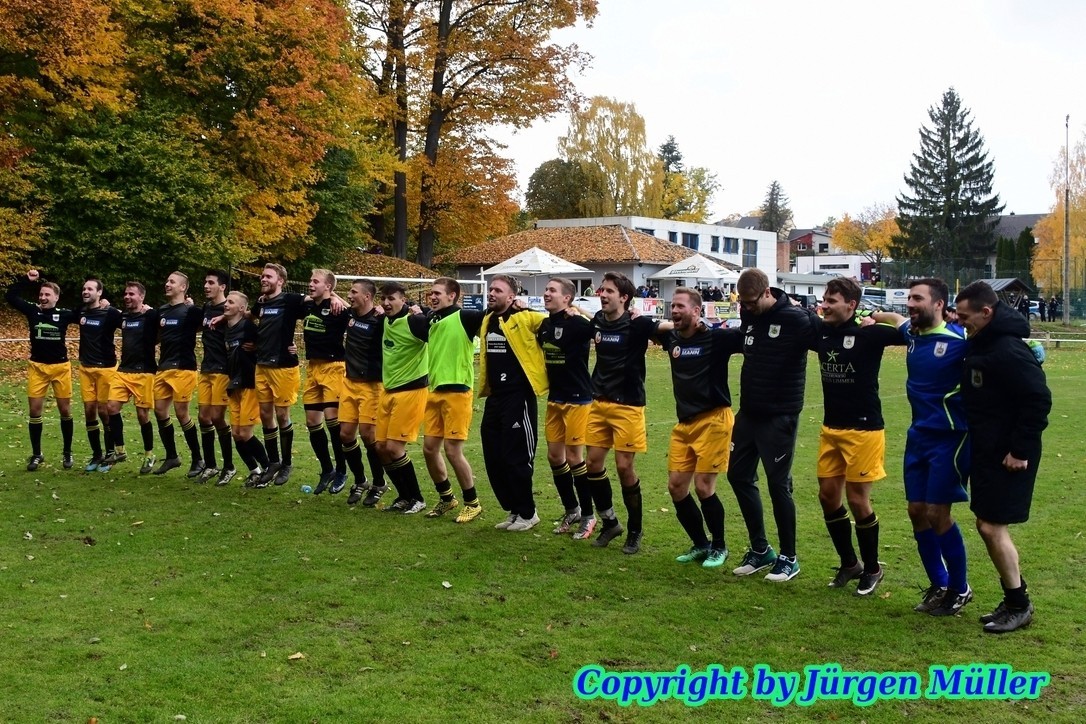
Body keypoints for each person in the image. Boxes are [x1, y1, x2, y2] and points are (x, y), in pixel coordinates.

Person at [955, 281, 1051, 632]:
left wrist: (1019, 450)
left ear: (987, 312)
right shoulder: (983, 342)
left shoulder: (1007, 349)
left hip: (1010, 453)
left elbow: (1038, 399)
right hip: (988, 447)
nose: (962, 322)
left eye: (966, 317)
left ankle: (1019, 604)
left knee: (991, 526)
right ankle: (1013, 600)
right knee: (986, 524)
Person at [873, 278, 973, 616]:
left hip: (950, 437)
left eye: (918, 298)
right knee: (916, 510)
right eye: (909, 298)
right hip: (919, 436)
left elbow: (1002, 352)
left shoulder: (960, 341)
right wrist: (879, 315)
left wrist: (1031, 350)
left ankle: (960, 589)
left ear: (939, 305)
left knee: (937, 513)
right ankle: (940, 583)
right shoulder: (913, 335)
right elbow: (898, 321)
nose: (911, 304)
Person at [726, 269, 817, 582]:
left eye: (752, 302)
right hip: (749, 412)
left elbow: (827, 338)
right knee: (737, 475)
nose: (747, 308)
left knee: (778, 485)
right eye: (744, 304)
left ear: (766, 293)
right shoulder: (749, 315)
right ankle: (760, 550)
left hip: (780, 415)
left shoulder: (796, 319)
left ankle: (789, 558)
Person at [813, 277, 902, 595]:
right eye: (824, 299)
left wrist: (880, 317)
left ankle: (873, 568)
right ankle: (850, 564)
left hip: (864, 429)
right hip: (831, 428)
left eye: (832, 300)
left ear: (851, 305)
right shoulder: (820, 331)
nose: (824, 304)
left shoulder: (869, 334)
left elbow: (907, 331)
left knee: (857, 500)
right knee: (827, 497)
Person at [658, 288, 742, 568]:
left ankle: (720, 547)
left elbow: (753, 339)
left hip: (714, 420)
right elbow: (641, 325)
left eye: (681, 306)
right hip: (684, 424)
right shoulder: (671, 338)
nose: (675, 310)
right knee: (676, 487)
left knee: (704, 487)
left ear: (697, 311)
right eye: (673, 306)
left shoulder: (717, 338)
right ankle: (700, 544)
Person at [585, 271, 662, 554]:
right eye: (601, 290)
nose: (602, 294)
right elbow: (580, 317)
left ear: (624, 297)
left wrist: (697, 326)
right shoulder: (597, 321)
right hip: (599, 402)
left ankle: (635, 531)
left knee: (624, 467)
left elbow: (666, 330)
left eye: (608, 291)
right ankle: (610, 522)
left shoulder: (638, 324)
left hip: (628, 405)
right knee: (592, 464)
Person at [478, 274, 548, 531]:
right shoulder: (487, 319)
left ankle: (529, 513)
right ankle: (514, 509)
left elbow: (561, 322)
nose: (492, 293)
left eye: (498, 290)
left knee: (517, 456)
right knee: (493, 456)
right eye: (491, 289)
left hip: (519, 396)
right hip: (495, 398)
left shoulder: (527, 317)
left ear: (512, 296)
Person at [536, 276, 596, 539]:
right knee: (554, 457)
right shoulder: (545, 325)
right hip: (555, 399)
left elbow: (602, 326)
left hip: (578, 399)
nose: (546, 293)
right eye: (546, 289)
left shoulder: (578, 324)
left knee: (574, 458)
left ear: (567, 297)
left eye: (552, 290)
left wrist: (581, 311)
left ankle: (588, 515)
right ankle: (571, 509)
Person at [421, 277, 486, 522]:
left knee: (452, 450)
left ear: (453, 295)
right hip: (434, 391)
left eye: (438, 293)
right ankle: (447, 499)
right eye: (430, 294)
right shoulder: (431, 319)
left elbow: (493, 316)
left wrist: (517, 304)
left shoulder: (465, 317)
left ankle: (473, 502)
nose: (433, 297)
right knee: (429, 449)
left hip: (458, 393)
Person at [6, 270, 78, 471]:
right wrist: (26, 281)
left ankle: (67, 453)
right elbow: (10, 297)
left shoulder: (64, 314)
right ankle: (37, 454)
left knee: (65, 411)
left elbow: (87, 312)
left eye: (47, 294)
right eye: (41, 294)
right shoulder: (32, 311)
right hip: (37, 367)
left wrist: (103, 303)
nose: (43, 297)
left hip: (61, 368)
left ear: (56, 297)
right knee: (35, 411)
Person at [376, 282, 429, 513]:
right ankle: (403, 496)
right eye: (384, 298)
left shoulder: (414, 322)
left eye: (392, 298)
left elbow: (440, 328)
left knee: (395, 448)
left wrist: (423, 311)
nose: (387, 303)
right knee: (380, 447)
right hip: (388, 391)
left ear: (403, 299)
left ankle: (417, 498)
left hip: (411, 391)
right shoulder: (385, 320)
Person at [252, 263, 306, 486]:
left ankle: (286, 464)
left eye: (268, 277)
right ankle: (273, 462)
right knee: (265, 414)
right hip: (262, 365)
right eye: (262, 276)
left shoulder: (291, 301)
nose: (263, 279)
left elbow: (317, 310)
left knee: (282, 416)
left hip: (284, 367)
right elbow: (249, 316)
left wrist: (333, 297)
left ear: (280, 281)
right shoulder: (261, 303)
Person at [151, 271, 206, 476]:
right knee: (159, 411)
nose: (167, 284)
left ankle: (198, 459)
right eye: (167, 281)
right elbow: (155, 336)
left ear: (183, 287)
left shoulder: (191, 311)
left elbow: (209, 324)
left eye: (172, 282)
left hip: (183, 368)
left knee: (182, 413)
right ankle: (172, 456)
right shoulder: (162, 311)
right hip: (163, 367)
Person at [302, 269, 351, 495]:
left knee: (333, 421)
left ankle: (342, 469)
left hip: (334, 368)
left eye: (315, 282)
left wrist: (336, 298)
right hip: (313, 368)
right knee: (312, 422)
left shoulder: (338, 309)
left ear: (328, 287)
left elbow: (360, 313)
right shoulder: (308, 305)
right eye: (310, 281)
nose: (310, 284)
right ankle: (327, 469)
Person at [338, 279, 387, 506]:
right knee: (346, 435)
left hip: (371, 386)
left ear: (367, 296)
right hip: (349, 382)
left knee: (369, 436)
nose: (349, 295)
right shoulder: (349, 315)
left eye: (354, 292)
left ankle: (379, 483)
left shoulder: (380, 320)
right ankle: (360, 480)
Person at [103, 282, 160, 473]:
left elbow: (166, 321)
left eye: (132, 294)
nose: (127, 297)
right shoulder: (124, 316)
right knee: (111, 407)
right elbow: (111, 313)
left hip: (144, 372)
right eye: (125, 294)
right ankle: (120, 450)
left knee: (143, 415)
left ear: (142, 297)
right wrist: (105, 303)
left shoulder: (151, 315)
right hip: (123, 371)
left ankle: (149, 454)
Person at [221, 291, 272, 487]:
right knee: (236, 434)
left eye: (231, 302)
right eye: (226, 301)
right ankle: (254, 470)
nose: (226, 304)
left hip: (250, 384)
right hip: (233, 385)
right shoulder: (226, 327)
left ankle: (268, 469)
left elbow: (267, 339)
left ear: (242, 308)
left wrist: (290, 347)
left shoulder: (248, 326)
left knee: (245, 434)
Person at [76, 278, 124, 471]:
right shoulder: (80, 311)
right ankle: (96, 455)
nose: (85, 291)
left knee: (105, 412)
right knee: (89, 411)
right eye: (84, 289)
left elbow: (130, 320)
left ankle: (110, 454)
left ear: (99, 293)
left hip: (106, 369)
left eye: (90, 289)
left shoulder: (110, 313)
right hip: (85, 369)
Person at [196, 270, 236, 485]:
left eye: (210, 282)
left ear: (222, 287)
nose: (206, 285)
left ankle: (229, 466)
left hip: (222, 370)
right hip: (206, 369)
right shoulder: (206, 308)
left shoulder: (229, 310)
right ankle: (210, 465)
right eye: (205, 282)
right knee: (204, 417)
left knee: (217, 418)